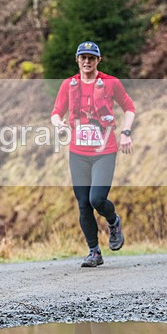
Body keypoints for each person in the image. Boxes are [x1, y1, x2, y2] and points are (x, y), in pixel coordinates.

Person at [51, 41, 135, 268]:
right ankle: (94, 252)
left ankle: (113, 221)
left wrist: (126, 132)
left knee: (96, 198)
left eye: (91, 58)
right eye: (83, 58)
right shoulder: (68, 85)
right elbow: (56, 113)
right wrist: (59, 125)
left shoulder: (110, 83)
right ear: (77, 60)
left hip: (104, 152)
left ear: (98, 60)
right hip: (78, 153)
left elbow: (129, 108)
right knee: (83, 204)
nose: (86, 62)